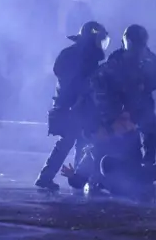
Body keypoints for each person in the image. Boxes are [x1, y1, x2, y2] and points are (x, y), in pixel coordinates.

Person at [61, 112, 156, 201]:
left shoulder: (120, 139)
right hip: (114, 185)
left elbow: (135, 159)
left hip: (133, 174)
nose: (103, 133)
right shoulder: (92, 152)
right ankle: (139, 192)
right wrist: (72, 176)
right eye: (99, 131)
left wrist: (131, 134)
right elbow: (79, 181)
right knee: (106, 163)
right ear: (94, 135)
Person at [35, 21, 111, 191]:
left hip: (67, 106)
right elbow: (83, 85)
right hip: (77, 108)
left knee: (71, 143)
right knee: (78, 142)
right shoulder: (86, 58)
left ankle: (57, 177)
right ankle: (71, 178)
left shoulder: (70, 54)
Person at [91, 24, 156, 167]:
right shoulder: (117, 58)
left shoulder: (149, 58)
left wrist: (142, 85)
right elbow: (105, 80)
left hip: (142, 103)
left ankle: (147, 163)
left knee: (150, 132)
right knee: (123, 138)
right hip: (121, 105)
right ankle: (116, 166)